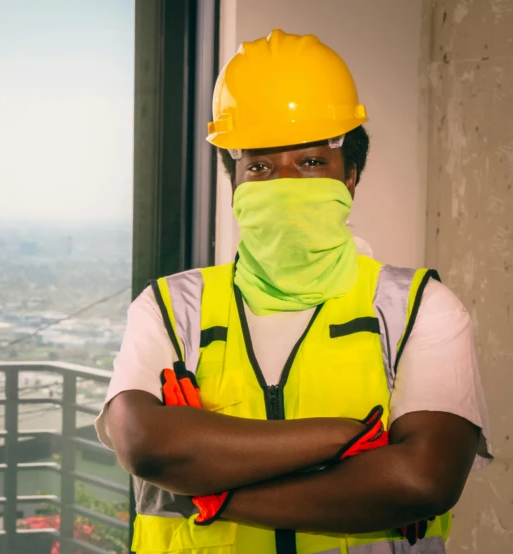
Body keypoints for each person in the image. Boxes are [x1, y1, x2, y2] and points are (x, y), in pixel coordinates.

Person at [95, 29, 492, 553]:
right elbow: (145, 446)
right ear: (235, 185)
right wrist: (345, 437)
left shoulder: (418, 310)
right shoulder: (171, 310)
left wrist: (210, 494)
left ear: (350, 176)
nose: (282, 183)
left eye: (309, 162)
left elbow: (421, 481)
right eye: (258, 166)